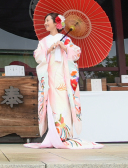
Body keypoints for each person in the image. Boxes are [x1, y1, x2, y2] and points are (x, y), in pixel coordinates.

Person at [24, 12, 103, 149]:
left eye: (47, 20)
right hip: (50, 79)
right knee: (52, 105)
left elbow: (76, 53)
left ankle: (64, 136)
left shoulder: (65, 39)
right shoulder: (43, 42)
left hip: (63, 77)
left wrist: (64, 47)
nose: (45, 23)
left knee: (64, 104)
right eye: (45, 21)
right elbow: (37, 55)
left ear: (56, 23)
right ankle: (53, 135)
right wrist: (49, 50)